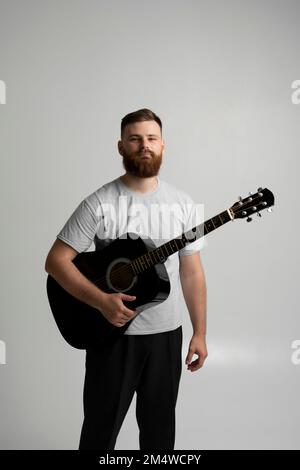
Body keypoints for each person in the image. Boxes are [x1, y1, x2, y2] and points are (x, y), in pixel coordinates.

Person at [45, 108, 208, 450]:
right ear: (121, 147)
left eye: (151, 139)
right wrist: (100, 301)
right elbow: (56, 261)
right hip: (112, 335)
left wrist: (200, 333)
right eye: (134, 139)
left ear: (163, 146)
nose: (143, 146)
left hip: (166, 335)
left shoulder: (183, 204)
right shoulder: (100, 203)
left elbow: (191, 272)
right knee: (100, 432)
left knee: (160, 433)